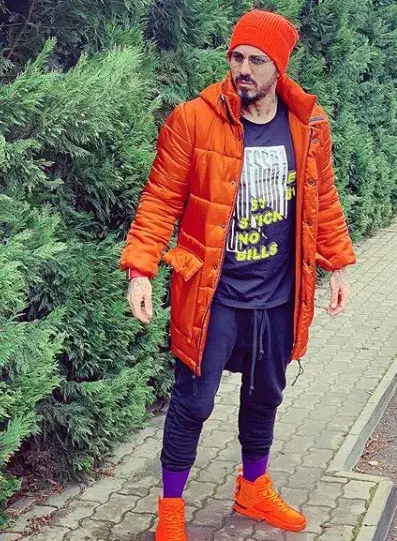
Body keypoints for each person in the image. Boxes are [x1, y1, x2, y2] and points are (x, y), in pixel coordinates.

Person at [120, 9, 356, 541]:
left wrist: (339, 263)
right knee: (194, 403)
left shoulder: (309, 125)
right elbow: (159, 199)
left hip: (278, 294)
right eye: (237, 57)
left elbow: (322, 199)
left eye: (256, 60)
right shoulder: (193, 120)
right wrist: (140, 269)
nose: (243, 69)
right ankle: (171, 510)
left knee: (265, 396)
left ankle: (253, 488)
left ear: (279, 67)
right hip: (214, 294)